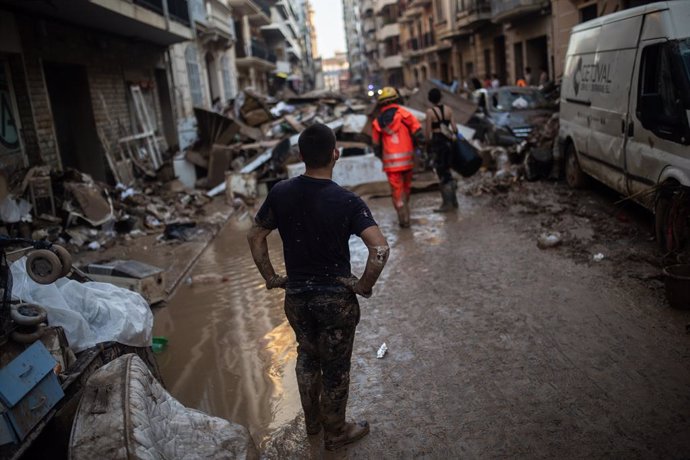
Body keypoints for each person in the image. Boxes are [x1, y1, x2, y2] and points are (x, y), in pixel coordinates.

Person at [247, 124, 390, 451]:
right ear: (335, 154)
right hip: (334, 301)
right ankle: (336, 433)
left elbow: (255, 235)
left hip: (297, 297)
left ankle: (313, 424)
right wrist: (363, 285)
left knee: (307, 358)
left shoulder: (280, 192)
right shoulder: (347, 201)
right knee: (336, 368)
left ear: (299, 156)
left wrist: (271, 277)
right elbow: (380, 249)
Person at [371, 87, 424, 228]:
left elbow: (376, 146)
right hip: (407, 162)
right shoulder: (404, 114)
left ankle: (403, 220)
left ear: (381, 104)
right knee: (406, 188)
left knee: (397, 191)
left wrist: (382, 158)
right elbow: (419, 134)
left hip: (391, 164)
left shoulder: (377, 122)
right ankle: (407, 213)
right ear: (396, 99)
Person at [425, 88, 458, 213]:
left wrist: (427, 146)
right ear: (440, 97)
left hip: (438, 143)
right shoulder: (449, 110)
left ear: (430, 99)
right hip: (448, 142)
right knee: (448, 170)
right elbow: (454, 128)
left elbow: (428, 132)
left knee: (441, 172)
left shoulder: (430, 112)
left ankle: (447, 203)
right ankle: (454, 202)